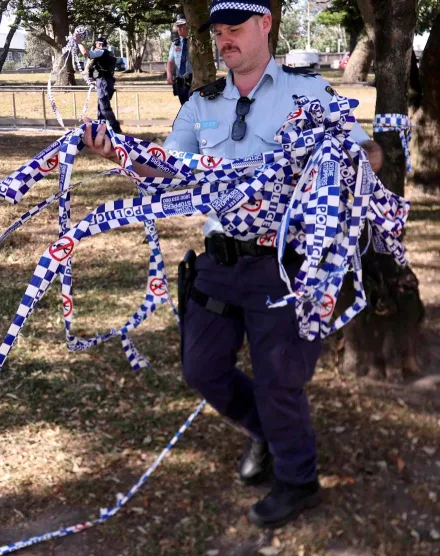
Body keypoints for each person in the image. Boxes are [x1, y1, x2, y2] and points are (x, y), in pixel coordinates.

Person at [80, 0, 383, 530]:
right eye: (217, 32)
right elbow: (165, 170)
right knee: (202, 370)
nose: (224, 40)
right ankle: (265, 432)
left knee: (278, 380)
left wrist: (338, 162)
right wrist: (118, 154)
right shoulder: (203, 104)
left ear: (265, 24)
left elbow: (371, 153)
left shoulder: (306, 94)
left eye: (234, 29)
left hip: (283, 267)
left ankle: (297, 478)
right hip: (218, 264)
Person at [77, 37, 122, 134]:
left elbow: (86, 53)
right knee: (101, 107)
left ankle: (116, 130)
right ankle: (102, 129)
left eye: (96, 45)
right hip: (107, 81)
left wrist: (79, 42)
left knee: (104, 107)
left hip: (103, 81)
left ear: (100, 45)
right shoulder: (109, 53)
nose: (95, 47)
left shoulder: (101, 52)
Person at [167, 16, 193, 105]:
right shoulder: (175, 43)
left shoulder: (194, 42)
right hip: (180, 83)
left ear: (188, 26)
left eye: (182, 26)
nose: (179, 28)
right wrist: (169, 75)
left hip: (193, 82)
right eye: (178, 26)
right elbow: (170, 61)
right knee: (184, 108)